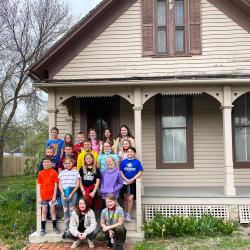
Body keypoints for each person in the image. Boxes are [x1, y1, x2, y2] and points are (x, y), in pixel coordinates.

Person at [37, 156, 60, 236]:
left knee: (53, 211)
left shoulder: (54, 172)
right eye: (45, 162)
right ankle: (42, 229)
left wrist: (54, 196)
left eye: (48, 162)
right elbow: (39, 185)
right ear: (42, 163)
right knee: (44, 211)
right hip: (43, 196)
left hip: (52, 196)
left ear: (51, 163)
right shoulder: (40, 173)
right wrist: (39, 196)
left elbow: (56, 185)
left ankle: (55, 227)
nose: (46, 163)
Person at [120, 146, 143, 222]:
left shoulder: (137, 162)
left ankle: (128, 215)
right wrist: (126, 179)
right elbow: (121, 172)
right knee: (126, 199)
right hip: (125, 182)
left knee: (130, 199)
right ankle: (125, 214)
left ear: (134, 153)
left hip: (133, 183)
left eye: (131, 151)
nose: (130, 153)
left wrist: (132, 179)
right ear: (126, 153)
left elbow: (140, 172)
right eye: (128, 151)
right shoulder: (123, 162)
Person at [59, 157, 80, 230]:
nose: (68, 165)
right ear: (64, 164)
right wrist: (62, 193)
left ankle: (73, 227)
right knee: (65, 211)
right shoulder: (62, 172)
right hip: (64, 192)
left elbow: (77, 185)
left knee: (72, 210)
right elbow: (60, 185)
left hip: (72, 192)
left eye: (69, 163)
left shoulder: (76, 172)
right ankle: (67, 228)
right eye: (66, 163)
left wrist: (71, 194)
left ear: (72, 163)